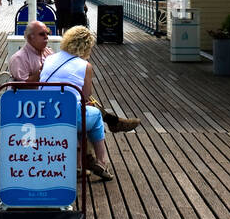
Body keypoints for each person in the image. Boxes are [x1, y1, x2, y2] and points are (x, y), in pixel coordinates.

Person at [10, 25, 140, 181]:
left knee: (79, 112)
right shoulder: (85, 66)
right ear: (86, 47)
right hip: (64, 116)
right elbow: (86, 95)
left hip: (43, 112)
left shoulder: (50, 58)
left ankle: (79, 163)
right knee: (94, 115)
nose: (46, 36)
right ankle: (102, 161)